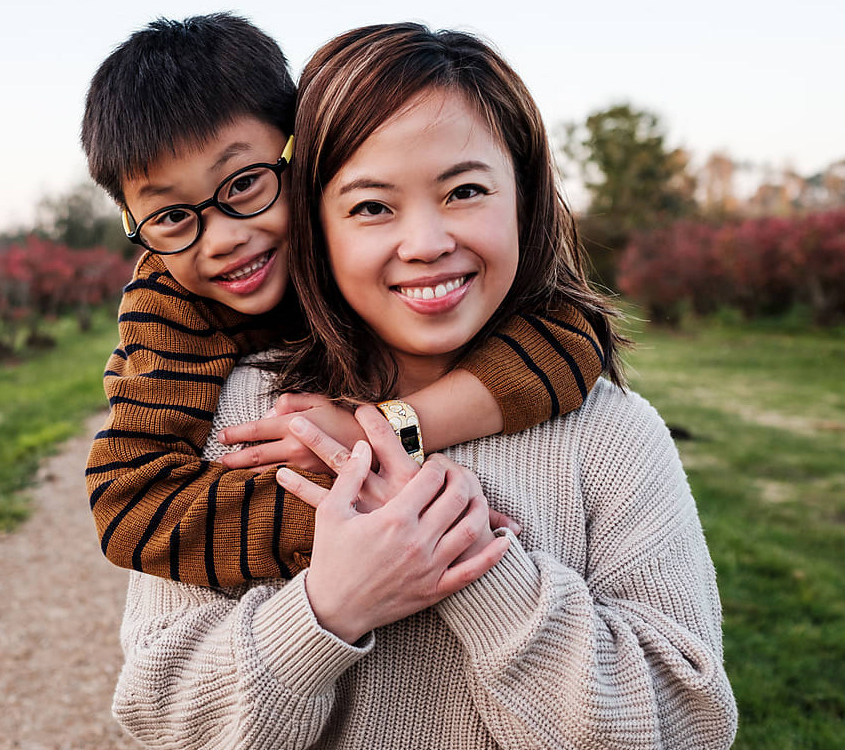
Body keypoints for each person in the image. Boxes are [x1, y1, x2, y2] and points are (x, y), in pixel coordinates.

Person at [111, 23, 737, 748]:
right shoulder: (247, 419)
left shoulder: (612, 437)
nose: (427, 242)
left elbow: (688, 728)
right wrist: (327, 608)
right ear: (315, 221)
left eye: (465, 190)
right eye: (372, 206)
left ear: (525, 198)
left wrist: (471, 569)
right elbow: (160, 716)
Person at [81, 13, 604, 588]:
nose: (225, 237)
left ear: (301, 156)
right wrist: (373, 513)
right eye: (173, 216)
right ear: (136, 223)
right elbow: (129, 507)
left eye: (244, 184)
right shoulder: (172, 304)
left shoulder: (359, 244)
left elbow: (572, 334)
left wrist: (378, 429)